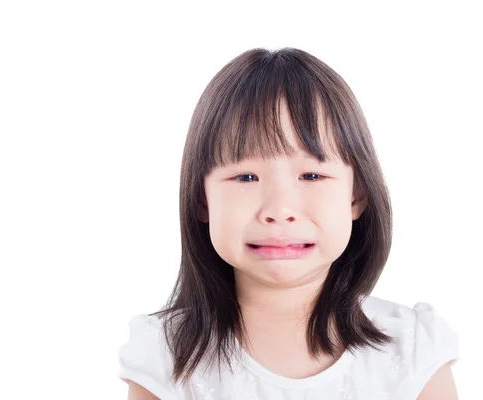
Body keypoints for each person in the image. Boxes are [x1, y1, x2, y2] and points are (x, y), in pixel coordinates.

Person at [117, 47, 460, 399]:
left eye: (311, 175)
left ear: (356, 196)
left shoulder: (413, 351)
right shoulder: (166, 358)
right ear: (202, 200)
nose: (279, 210)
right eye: (246, 177)